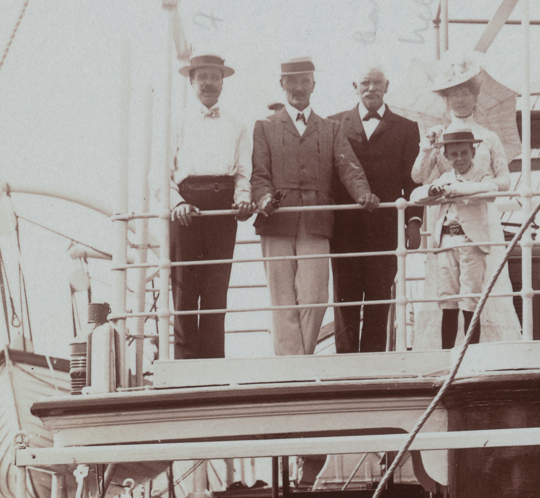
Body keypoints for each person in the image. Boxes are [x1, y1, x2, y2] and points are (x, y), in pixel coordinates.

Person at [251, 57, 378, 354]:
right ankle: (290, 365)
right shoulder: (265, 127)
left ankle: (301, 359)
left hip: (316, 221)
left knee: (315, 296)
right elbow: (259, 174)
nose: (298, 87)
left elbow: (348, 166)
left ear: (313, 85)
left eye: (304, 81)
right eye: (291, 81)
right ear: (282, 85)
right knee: (282, 298)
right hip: (277, 219)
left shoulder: (330, 128)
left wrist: (363, 193)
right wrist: (264, 199)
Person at [328, 64, 421, 352]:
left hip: (385, 226)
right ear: (354, 86)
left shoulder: (407, 128)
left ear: (387, 86)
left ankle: (374, 362)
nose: (371, 89)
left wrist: (414, 221)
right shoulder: (333, 124)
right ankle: (345, 364)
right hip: (344, 228)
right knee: (345, 296)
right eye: (365, 83)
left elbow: (413, 180)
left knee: (380, 296)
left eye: (377, 83)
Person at [168, 53, 253, 360]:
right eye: (202, 77)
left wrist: (242, 198)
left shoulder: (237, 125)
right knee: (185, 290)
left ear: (222, 82)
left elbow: (244, 172)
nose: (208, 83)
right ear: (191, 82)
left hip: (222, 210)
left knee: (216, 290)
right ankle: (187, 366)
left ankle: (214, 363)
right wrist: (176, 202)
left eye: (214, 77)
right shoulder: (174, 122)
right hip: (185, 209)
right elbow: (159, 173)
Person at [412, 124, 519, 346]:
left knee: (470, 300)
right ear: (447, 157)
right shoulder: (444, 179)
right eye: (453, 155)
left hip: (471, 243)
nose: (459, 159)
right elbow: (416, 193)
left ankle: (471, 355)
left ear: (473, 152)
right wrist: (433, 191)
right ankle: (447, 354)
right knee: (447, 300)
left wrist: (457, 189)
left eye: (463, 153)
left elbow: (490, 191)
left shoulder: (482, 178)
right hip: (446, 242)